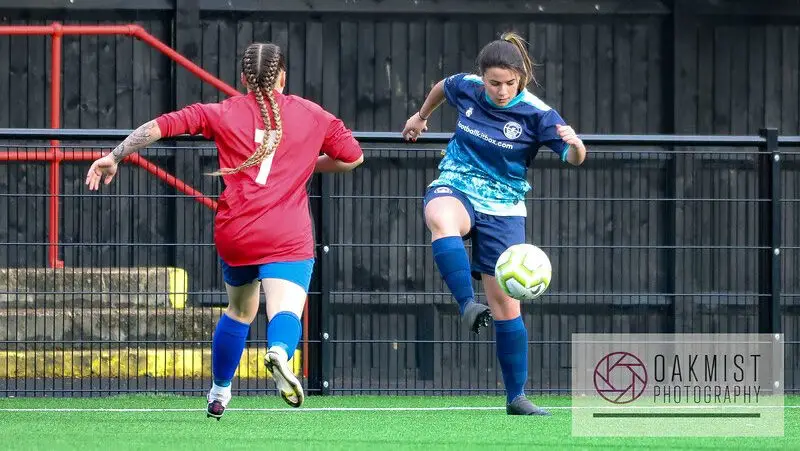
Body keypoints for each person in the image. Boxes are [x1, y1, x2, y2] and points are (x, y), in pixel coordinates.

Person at [86, 42, 364, 419]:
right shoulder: (313, 115)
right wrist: (304, 165)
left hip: (236, 232)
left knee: (238, 311)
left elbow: (159, 126)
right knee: (285, 310)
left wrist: (114, 155)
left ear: (244, 80)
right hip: (286, 234)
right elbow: (353, 156)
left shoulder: (220, 112)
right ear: (283, 77)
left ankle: (219, 393)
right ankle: (280, 352)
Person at [402, 32, 586, 415]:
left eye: (510, 84)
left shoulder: (537, 113)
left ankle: (516, 397)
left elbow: (572, 157)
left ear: (520, 78)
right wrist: (421, 117)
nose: (502, 91)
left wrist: (577, 144)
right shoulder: (466, 87)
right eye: (494, 83)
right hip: (457, 182)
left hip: (504, 206)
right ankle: (467, 304)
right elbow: (442, 87)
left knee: (507, 309)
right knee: (441, 219)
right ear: (482, 78)